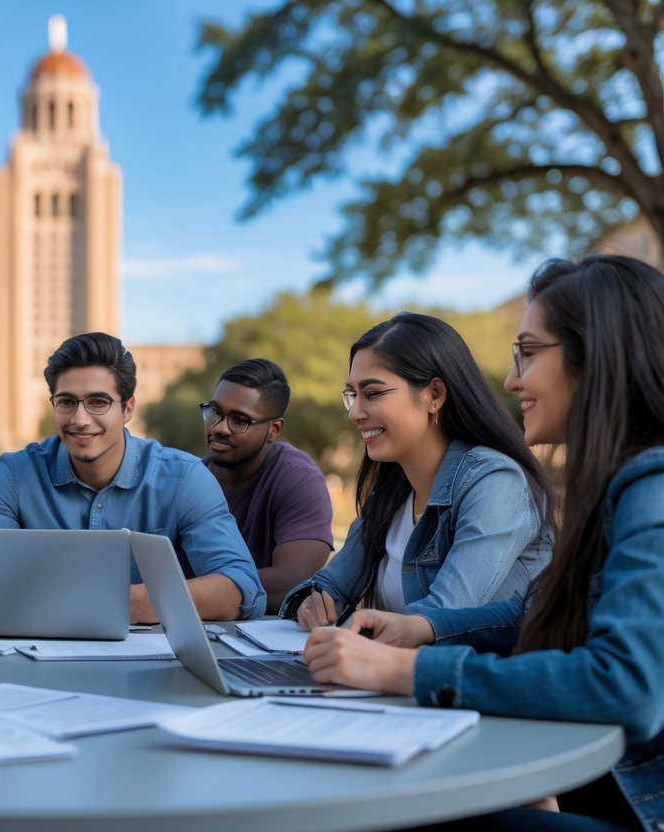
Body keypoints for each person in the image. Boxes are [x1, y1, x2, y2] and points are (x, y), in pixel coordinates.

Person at [304, 254, 664, 831]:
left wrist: (405, 671)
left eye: (528, 352)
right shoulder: (613, 486)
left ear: (595, 355)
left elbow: (626, 685)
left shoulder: (652, 487)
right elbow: (532, 613)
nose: (511, 378)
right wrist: (421, 629)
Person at [280, 312, 554, 629]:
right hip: (377, 674)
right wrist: (314, 605)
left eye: (373, 394)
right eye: (352, 395)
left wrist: (354, 634)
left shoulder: (495, 482)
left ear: (434, 395)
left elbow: (441, 619)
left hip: (464, 676)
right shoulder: (391, 492)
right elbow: (329, 586)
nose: (355, 412)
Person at [0, 332, 263, 622]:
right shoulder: (15, 475)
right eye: (66, 402)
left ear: (128, 408)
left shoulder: (184, 477)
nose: (80, 420)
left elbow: (242, 588)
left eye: (98, 402)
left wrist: (118, 602)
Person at [202, 358, 334, 613]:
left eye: (239, 420)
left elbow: (292, 582)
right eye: (215, 412)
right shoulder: (191, 478)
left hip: (266, 643)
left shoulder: (299, 479)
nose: (219, 427)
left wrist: (192, 592)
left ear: (273, 430)